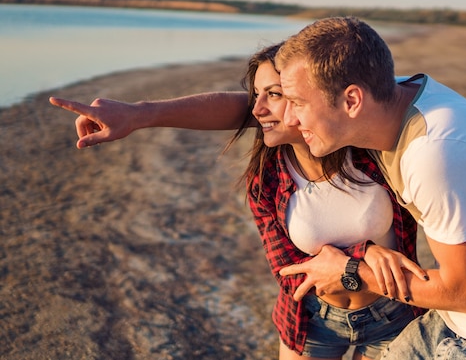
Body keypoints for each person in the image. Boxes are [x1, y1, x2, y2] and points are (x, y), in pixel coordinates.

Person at [50, 43, 428, 360]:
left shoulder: (369, 149)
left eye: (275, 94)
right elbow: (290, 271)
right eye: (256, 95)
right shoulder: (268, 180)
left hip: (393, 313)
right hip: (310, 320)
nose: (257, 109)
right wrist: (363, 255)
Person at [270, 17, 466, 360]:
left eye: (298, 103)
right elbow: (248, 109)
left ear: (351, 101)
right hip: (462, 322)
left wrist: (348, 271)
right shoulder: (393, 96)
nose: (289, 119)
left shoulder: (432, 152)